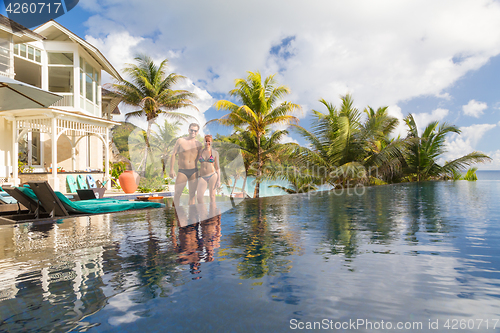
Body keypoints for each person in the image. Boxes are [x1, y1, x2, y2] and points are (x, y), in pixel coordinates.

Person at [170, 123, 202, 206]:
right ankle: (174, 215)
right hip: (182, 171)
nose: (193, 132)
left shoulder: (199, 144)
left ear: (197, 132)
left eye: (195, 130)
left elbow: (201, 159)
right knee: (177, 193)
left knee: (192, 195)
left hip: (194, 171)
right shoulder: (180, 141)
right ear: (188, 130)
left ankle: (192, 217)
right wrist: (171, 169)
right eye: (191, 130)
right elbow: (173, 154)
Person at [197, 135, 220, 204]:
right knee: (199, 197)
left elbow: (217, 167)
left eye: (209, 141)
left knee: (212, 196)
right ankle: (203, 213)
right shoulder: (200, 152)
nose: (207, 143)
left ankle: (213, 213)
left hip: (212, 175)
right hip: (202, 176)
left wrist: (219, 180)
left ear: (211, 142)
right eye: (206, 141)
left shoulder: (215, 153)